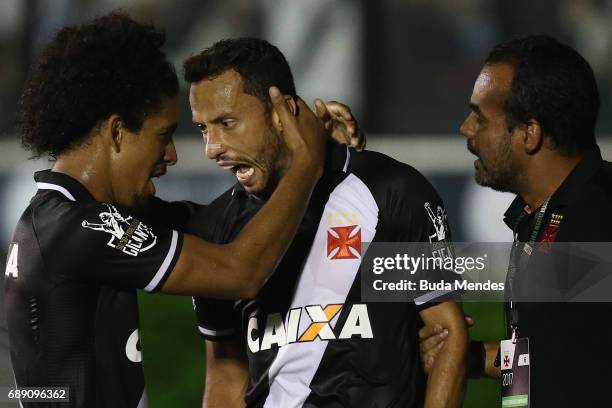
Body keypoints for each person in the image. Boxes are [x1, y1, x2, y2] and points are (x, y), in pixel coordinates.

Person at [4, 12, 333, 408]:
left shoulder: (68, 216)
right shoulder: (78, 229)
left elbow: (221, 224)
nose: (171, 155)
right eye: (162, 136)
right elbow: (240, 272)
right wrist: (306, 165)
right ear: (116, 131)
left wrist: (313, 165)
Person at [183, 38, 468, 408]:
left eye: (227, 123)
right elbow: (225, 373)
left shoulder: (389, 191)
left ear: (282, 111)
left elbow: (448, 337)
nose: (212, 148)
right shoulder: (215, 229)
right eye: (204, 129)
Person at [419, 35, 612, 407]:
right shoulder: (539, 218)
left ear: (529, 132)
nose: (466, 129)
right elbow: (556, 359)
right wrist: (470, 356)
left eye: (480, 117)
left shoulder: (599, 219)